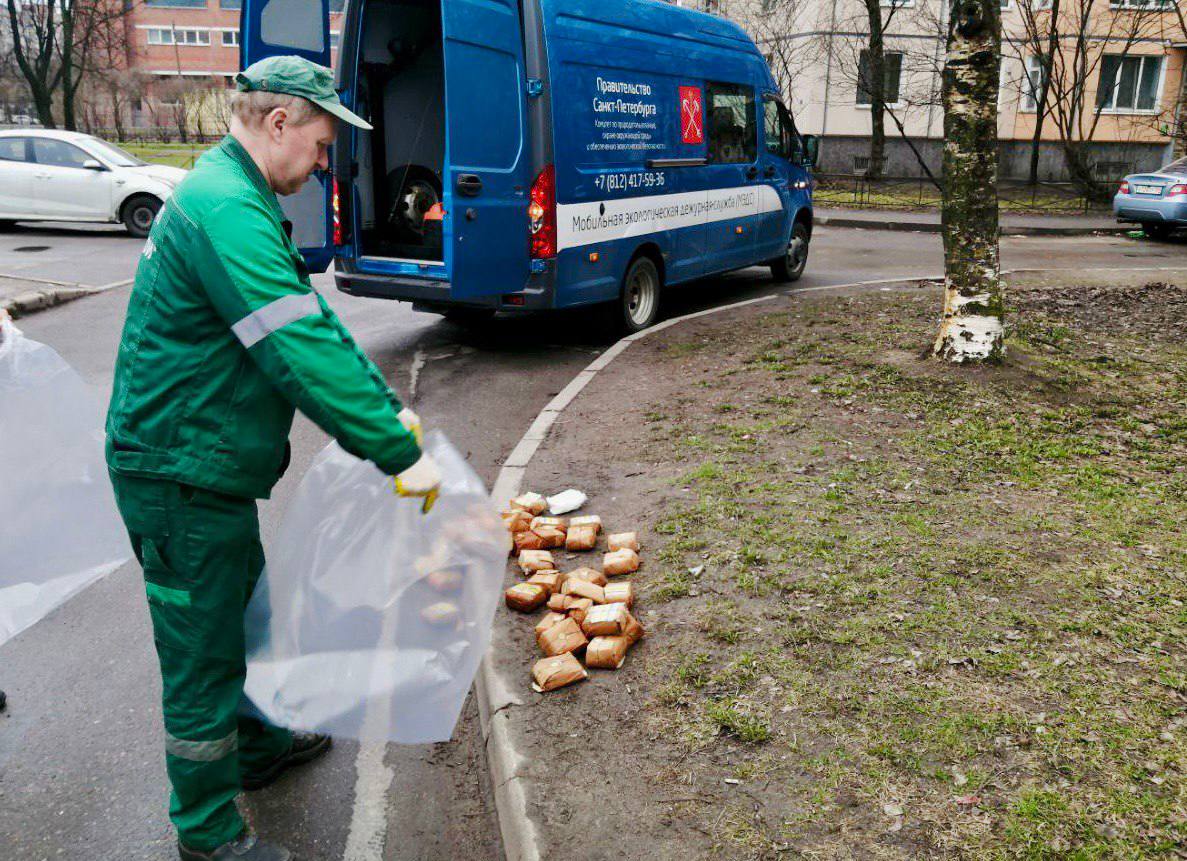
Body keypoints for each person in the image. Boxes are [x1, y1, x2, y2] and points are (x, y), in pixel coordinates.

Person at [105, 56, 440, 861]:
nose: (324, 164)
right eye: (322, 144)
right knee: (202, 653)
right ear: (280, 123)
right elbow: (292, 346)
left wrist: (387, 410)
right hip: (178, 471)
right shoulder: (226, 206)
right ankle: (209, 832)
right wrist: (394, 449)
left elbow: (309, 321)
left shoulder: (238, 196)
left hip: (203, 467)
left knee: (248, 614)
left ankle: (258, 746)